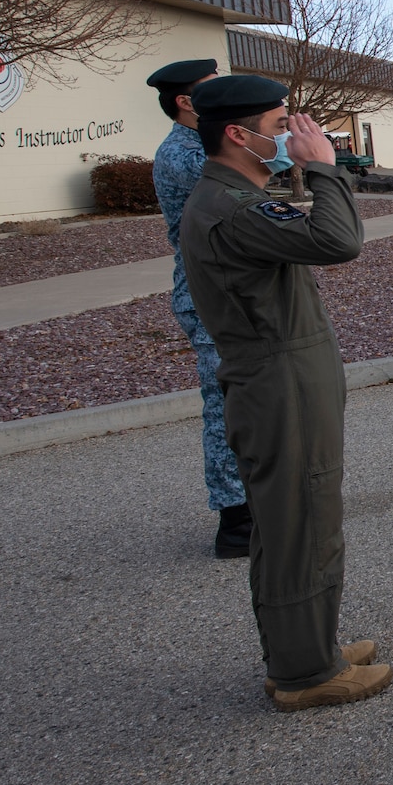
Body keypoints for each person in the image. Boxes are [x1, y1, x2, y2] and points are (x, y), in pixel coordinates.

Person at [179, 74, 392, 712]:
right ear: (237, 136)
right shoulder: (232, 207)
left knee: (290, 518)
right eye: (278, 128)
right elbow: (339, 241)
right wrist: (325, 171)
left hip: (280, 371)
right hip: (280, 379)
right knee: (303, 519)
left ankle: (305, 647)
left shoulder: (230, 198)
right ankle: (305, 672)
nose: (291, 138)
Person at [147, 59, 253, 558]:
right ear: (187, 102)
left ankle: (258, 507)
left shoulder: (204, 146)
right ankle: (235, 522)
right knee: (225, 407)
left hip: (230, 288)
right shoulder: (183, 157)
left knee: (247, 403)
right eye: (214, 90)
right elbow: (241, 194)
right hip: (207, 294)